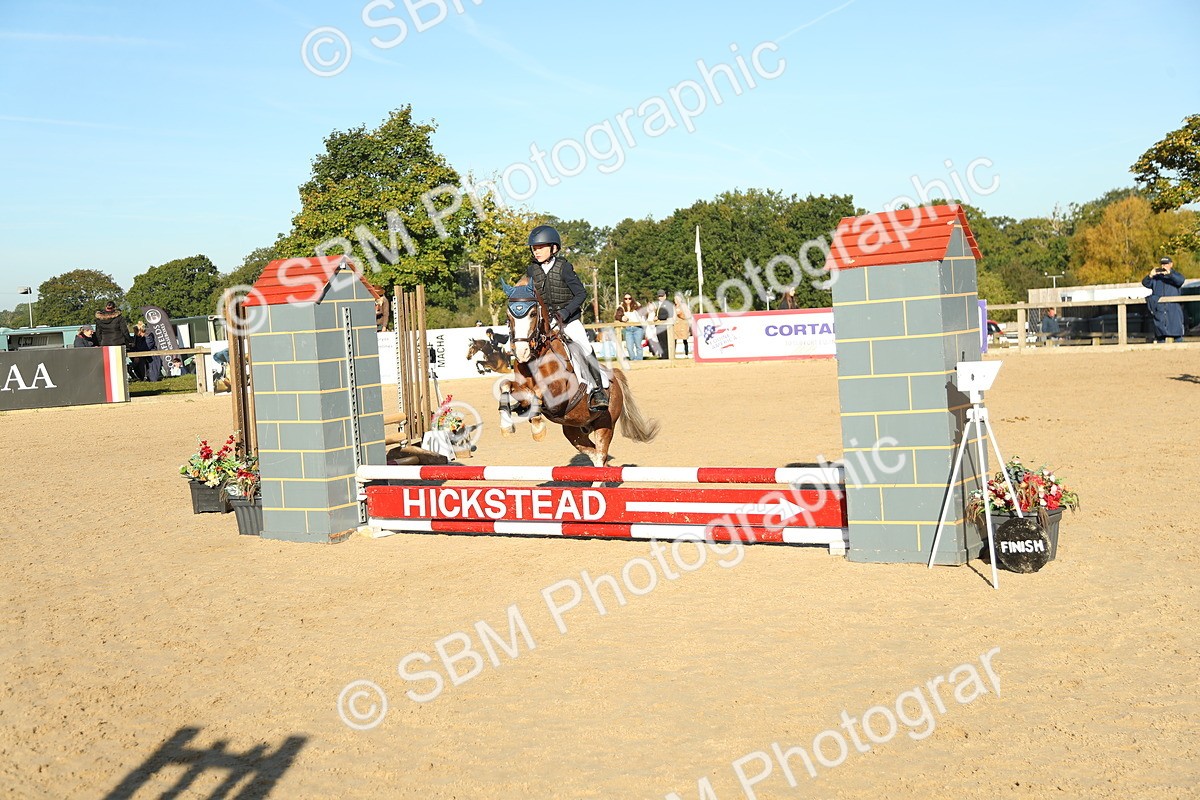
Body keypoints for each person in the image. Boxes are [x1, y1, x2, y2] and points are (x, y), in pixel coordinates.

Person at [524, 225, 610, 411]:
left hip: (568, 319)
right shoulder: (532, 271)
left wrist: (565, 313)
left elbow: (581, 294)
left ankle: (598, 390)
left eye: (540, 247)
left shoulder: (564, 267)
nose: (536, 251)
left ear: (553, 248)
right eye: (534, 248)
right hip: (546, 322)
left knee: (584, 345)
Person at [1142, 257, 1186, 343]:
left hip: (1173, 309)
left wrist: (1170, 274)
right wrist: (1150, 275)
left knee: (1177, 335)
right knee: (1160, 335)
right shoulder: (1156, 278)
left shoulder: (1176, 275)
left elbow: (1180, 281)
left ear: (1171, 264)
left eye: (1166, 264)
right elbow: (1145, 283)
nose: (1164, 266)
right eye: (1162, 264)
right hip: (1160, 310)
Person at [615, 293, 645, 360]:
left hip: (638, 328)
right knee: (629, 347)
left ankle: (640, 361)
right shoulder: (621, 307)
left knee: (638, 346)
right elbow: (617, 316)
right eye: (626, 299)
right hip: (628, 329)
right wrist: (622, 318)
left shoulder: (637, 305)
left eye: (629, 298)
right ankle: (633, 359)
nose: (628, 300)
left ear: (632, 299)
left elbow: (643, 313)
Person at [650, 290, 671, 358]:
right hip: (658, 326)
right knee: (661, 342)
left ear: (665, 296)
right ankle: (663, 356)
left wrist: (658, 317)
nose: (660, 297)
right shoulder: (658, 305)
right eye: (659, 296)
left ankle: (666, 356)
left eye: (662, 296)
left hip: (664, 326)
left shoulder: (668, 304)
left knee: (665, 343)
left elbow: (668, 314)